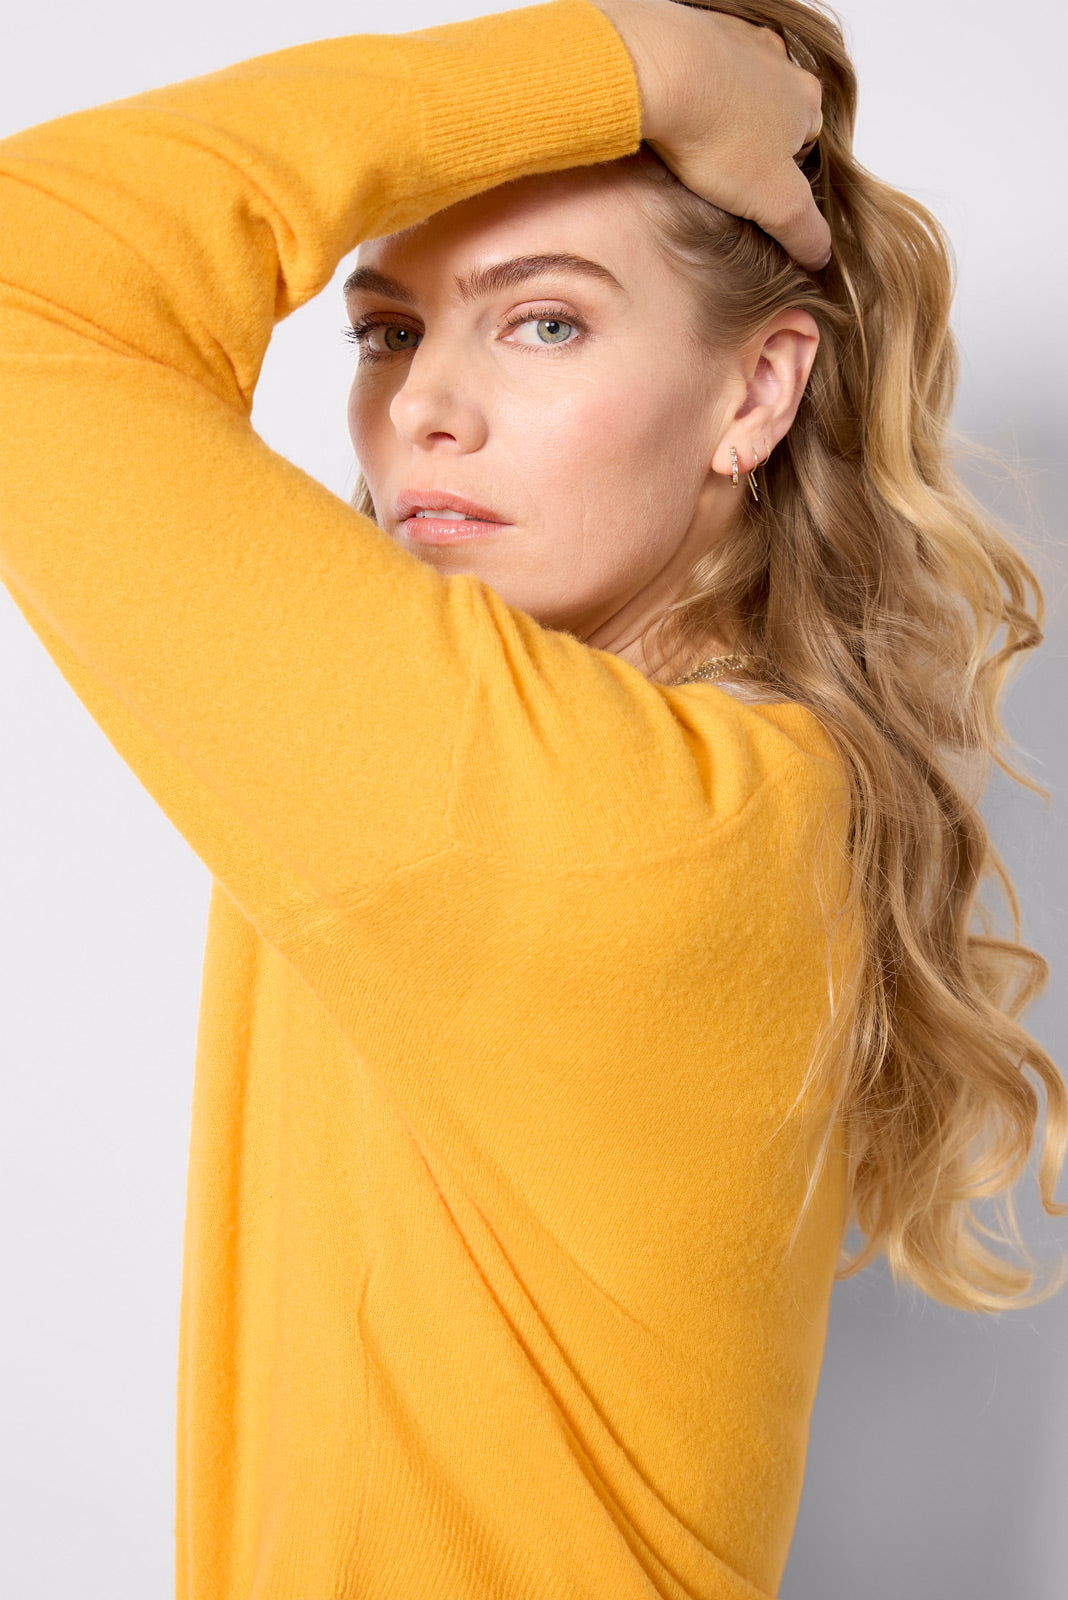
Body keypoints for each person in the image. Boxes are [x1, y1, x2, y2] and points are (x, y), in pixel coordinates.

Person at [0, 0, 1063, 1595]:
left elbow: (25, 277)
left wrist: (646, 67)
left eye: (545, 322)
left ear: (757, 394)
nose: (428, 405)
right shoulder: (726, 779)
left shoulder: (605, 814)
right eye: (387, 331)